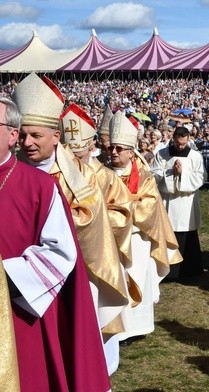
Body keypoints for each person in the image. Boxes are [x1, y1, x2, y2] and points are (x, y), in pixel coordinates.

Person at [0, 97, 111, 391]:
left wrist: (4, 277)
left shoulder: (39, 186)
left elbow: (60, 251)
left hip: (18, 310)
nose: (29, 142)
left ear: (11, 134)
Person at [13, 73, 129, 336]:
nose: (26, 143)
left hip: (73, 271)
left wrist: (43, 219)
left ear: (55, 137)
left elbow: (89, 217)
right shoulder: (11, 171)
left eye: (35, 135)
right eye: (22, 135)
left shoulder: (81, 175)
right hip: (20, 274)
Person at [60, 103, 135, 374]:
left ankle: (105, 364)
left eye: (77, 148)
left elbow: (122, 213)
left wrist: (98, 223)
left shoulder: (103, 176)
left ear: (90, 145)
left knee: (98, 307)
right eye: (67, 148)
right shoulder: (55, 173)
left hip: (98, 253)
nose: (71, 153)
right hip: (64, 256)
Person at [108, 111, 182, 342]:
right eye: (112, 147)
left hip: (137, 238)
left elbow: (150, 205)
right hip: (109, 239)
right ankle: (117, 325)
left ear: (131, 152)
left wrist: (121, 209)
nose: (113, 152)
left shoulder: (144, 175)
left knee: (137, 278)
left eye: (119, 148)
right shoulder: (100, 174)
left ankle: (137, 327)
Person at [152, 126, 205, 281]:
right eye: (177, 143)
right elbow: (154, 174)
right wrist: (170, 173)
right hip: (168, 202)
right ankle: (170, 271)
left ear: (188, 139)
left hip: (186, 203)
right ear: (173, 139)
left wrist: (183, 174)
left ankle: (189, 269)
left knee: (187, 233)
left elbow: (201, 177)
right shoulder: (162, 154)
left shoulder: (195, 156)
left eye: (183, 143)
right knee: (169, 232)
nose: (180, 146)